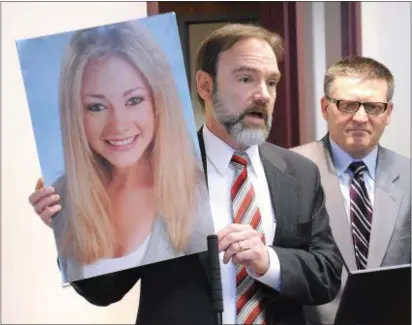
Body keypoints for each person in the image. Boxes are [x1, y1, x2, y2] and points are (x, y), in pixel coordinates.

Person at [29, 23, 343, 325]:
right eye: (246, 79)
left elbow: (327, 275)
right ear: (205, 85)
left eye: (271, 82)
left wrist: (268, 261)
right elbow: (104, 292)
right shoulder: (151, 170)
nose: (263, 94)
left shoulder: (300, 173)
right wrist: (70, 225)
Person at [28, 21, 214, 283]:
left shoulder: (198, 190)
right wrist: (59, 229)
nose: (119, 125)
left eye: (134, 100)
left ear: (158, 102)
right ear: (75, 115)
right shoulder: (65, 196)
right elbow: (103, 295)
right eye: (96, 107)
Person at [291, 56, 411, 325]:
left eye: (373, 107)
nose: (360, 117)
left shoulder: (409, 177)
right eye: (347, 105)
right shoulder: (289, 172)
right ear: (325, 107)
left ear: (388, 112)